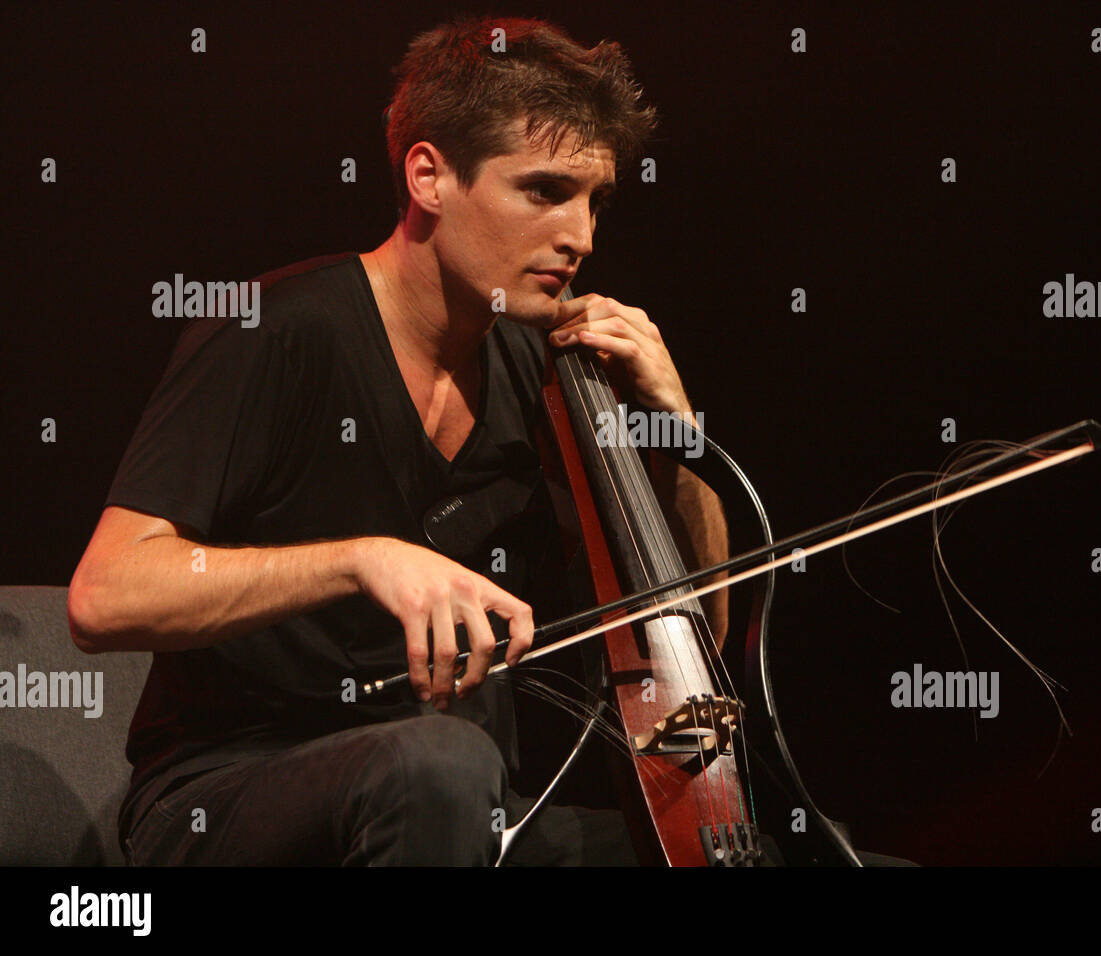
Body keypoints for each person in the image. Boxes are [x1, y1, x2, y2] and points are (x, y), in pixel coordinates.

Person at [67, 15, 728, 866]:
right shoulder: (275, 333)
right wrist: (361, 559)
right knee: (441, 763)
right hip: (227, 792)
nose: (582, 236)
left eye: (595, 201)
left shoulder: (545, 370)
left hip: (467, 807)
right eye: (544, 191)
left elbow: (690, 660)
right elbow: (103, 597)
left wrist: (678, 437)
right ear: (429, 177)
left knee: (739, 853)